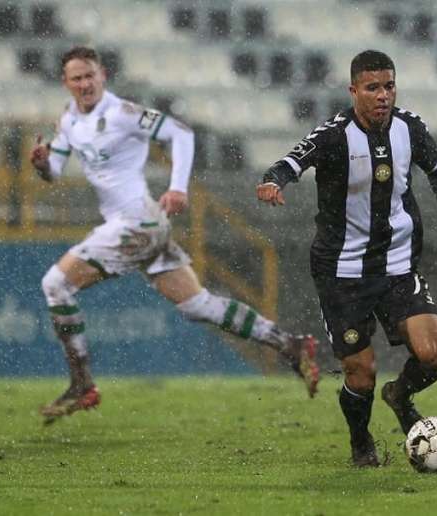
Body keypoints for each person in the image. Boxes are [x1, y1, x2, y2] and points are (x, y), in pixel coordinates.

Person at [30, 46, 319, 425]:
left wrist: (178, 187)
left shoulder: (123, 113)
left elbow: (180, 133)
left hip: (135, 223)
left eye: (90, 75)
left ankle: (82, 384)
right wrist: (41, 164)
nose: (85, 83)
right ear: (66, 83)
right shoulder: (68, 119)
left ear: (103, 75)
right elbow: (54, 168)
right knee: (196, 304)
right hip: (142, 225)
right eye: (77, 78)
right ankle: (290, 344)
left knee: (56, 285)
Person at [257, 50, 437, 467]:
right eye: (372, 87)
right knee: (361, 372)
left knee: (433, 355)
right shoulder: (335, 134)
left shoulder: (409, 128)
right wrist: (273, 181)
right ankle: (361, 443)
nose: (383, 96)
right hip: (343, 273)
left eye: (389, 86)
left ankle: (400, 395)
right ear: (353, 90)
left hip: (397, 265)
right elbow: (291, 161)